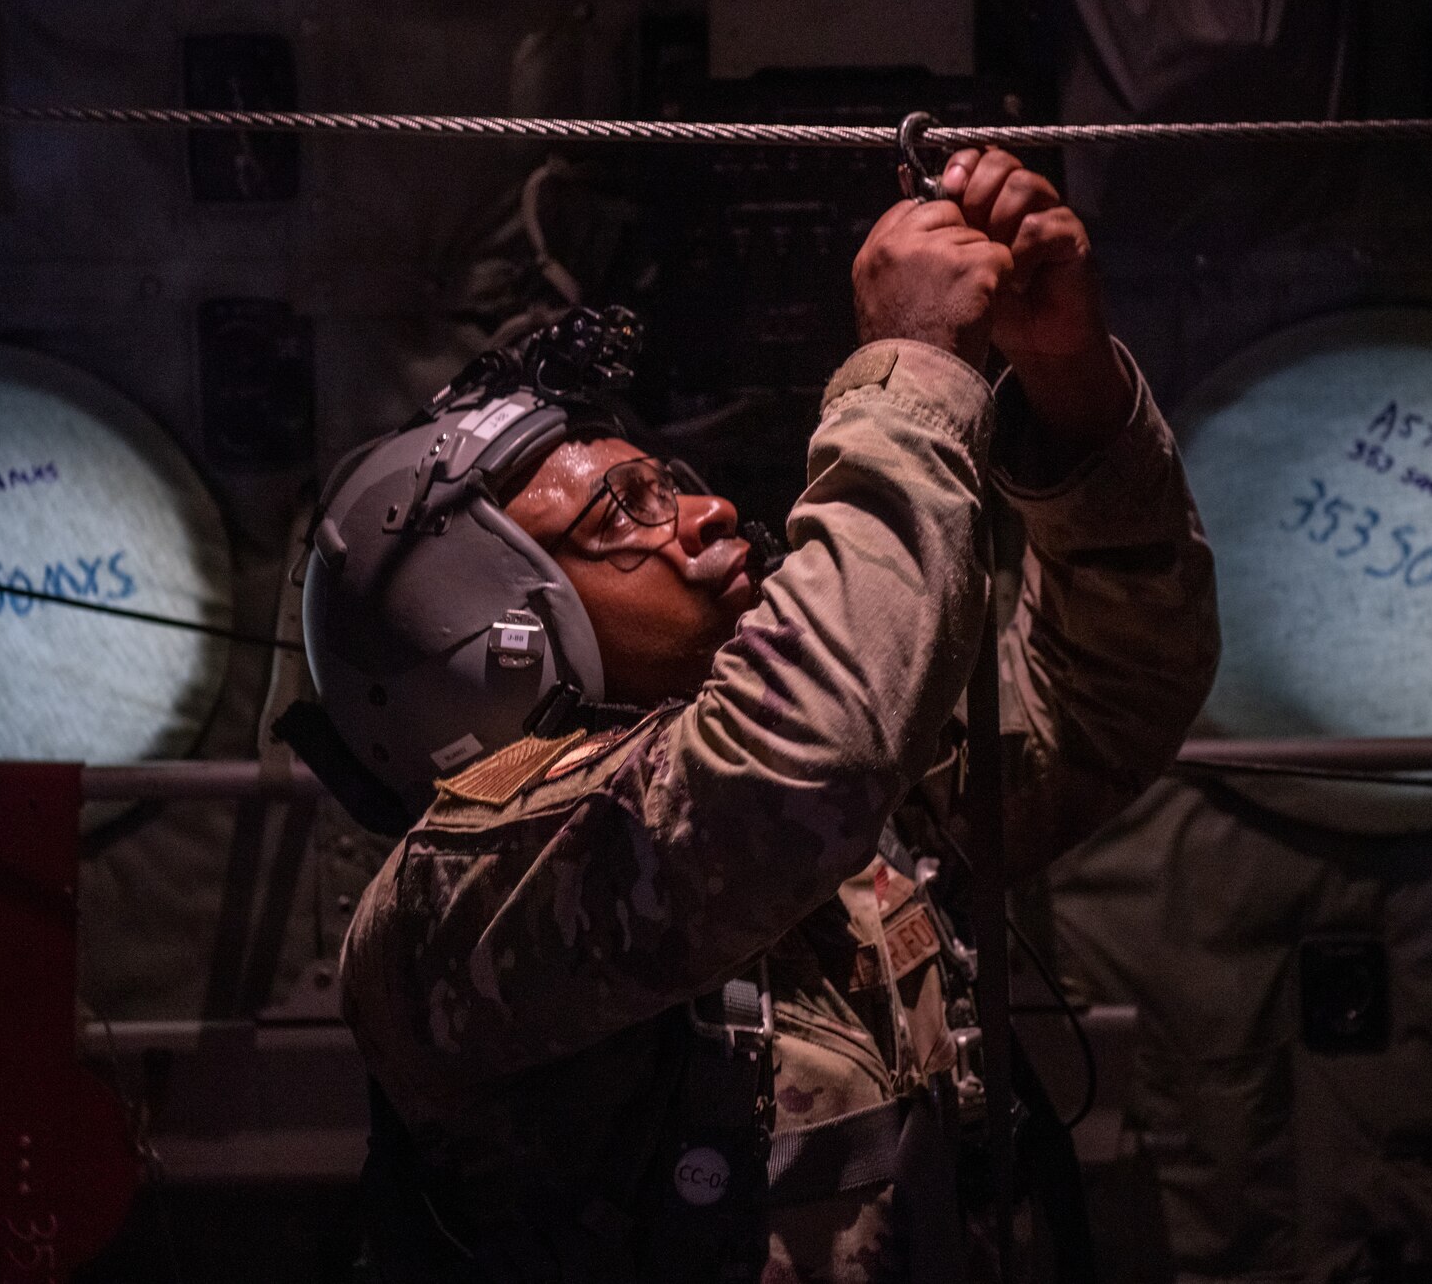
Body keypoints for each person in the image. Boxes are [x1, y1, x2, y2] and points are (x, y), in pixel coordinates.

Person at [301, 148, 1219, 1282]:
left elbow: (1109, 693)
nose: (702, 511)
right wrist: (912, 373)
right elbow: (798, 763)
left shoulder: (835, 828)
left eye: (668, 477)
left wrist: (1069, 389)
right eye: (622, 511)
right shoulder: (453, 901)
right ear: (500, 626)